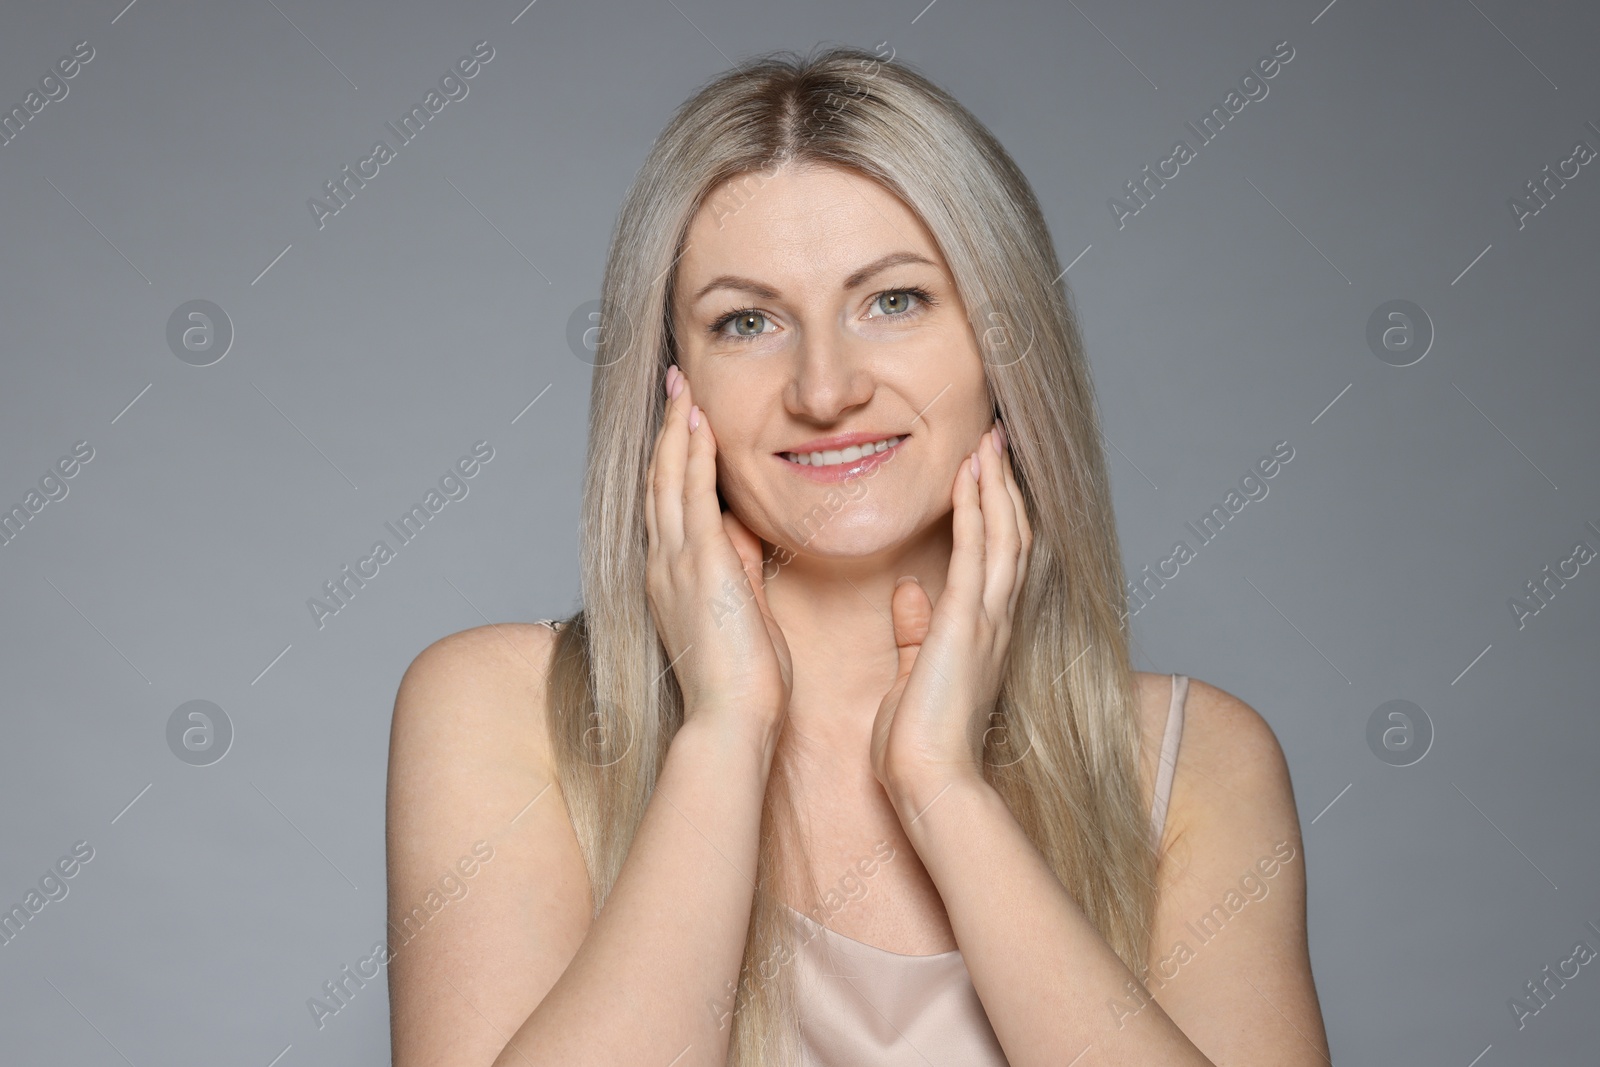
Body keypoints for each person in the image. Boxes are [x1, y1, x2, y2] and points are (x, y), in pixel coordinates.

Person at [384, 44, 1330, 1067]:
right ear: (673, 383)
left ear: (1004, 343)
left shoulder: (1195, 762)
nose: (824, 388)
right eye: (745, 321)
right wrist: (724, 731)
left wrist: (941, 788)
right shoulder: (500, 709)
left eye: (894, 300)